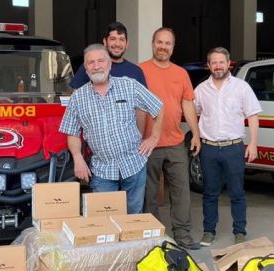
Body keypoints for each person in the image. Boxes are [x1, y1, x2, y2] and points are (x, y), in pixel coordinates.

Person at [59, 44, 163, 214]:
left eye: (101, 60)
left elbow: (158, 107)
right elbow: (71, 131)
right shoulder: (78, 98)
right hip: (102, 170)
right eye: (91, 62)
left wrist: (154, 137)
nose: (96, 65)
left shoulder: (129, 85)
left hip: (134, 165)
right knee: (104, 220)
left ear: (109, 64)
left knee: (132, 217)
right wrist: (78, 158)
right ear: (85, 68)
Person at [140, 27, 201, 251]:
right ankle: (154, 236)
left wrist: (195, 133)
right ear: (153, 43)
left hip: (175, 141)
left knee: (181, 191)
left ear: (173, 47)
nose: (163, 47)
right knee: (149, 193)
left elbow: (187, 104)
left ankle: (183, 235)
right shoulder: (140, 70)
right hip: (147, 143)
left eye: (167, 43)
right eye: (159, 42)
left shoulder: (181, 73)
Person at [194, 47, 261, 246]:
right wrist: (196, 137)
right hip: (209, 149)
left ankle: (239, 231)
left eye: (221, 62)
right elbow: (193, 113)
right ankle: (209, 231)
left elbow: (253, 116)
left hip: (234, 147)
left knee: (237, 192)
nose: (218, 66)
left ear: (228, 63)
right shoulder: (200, 90)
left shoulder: (241, 87)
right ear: (208, 65)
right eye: (213, 62)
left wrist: (253, 144)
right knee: (210, 193)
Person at [69, 22, 146, 89]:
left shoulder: (136, 72)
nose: (117, 44)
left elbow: (144, 104)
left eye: (121, 39)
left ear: (127, 44)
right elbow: (74, 95)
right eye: (113, 39)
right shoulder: (92, 66)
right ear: (105, 42)